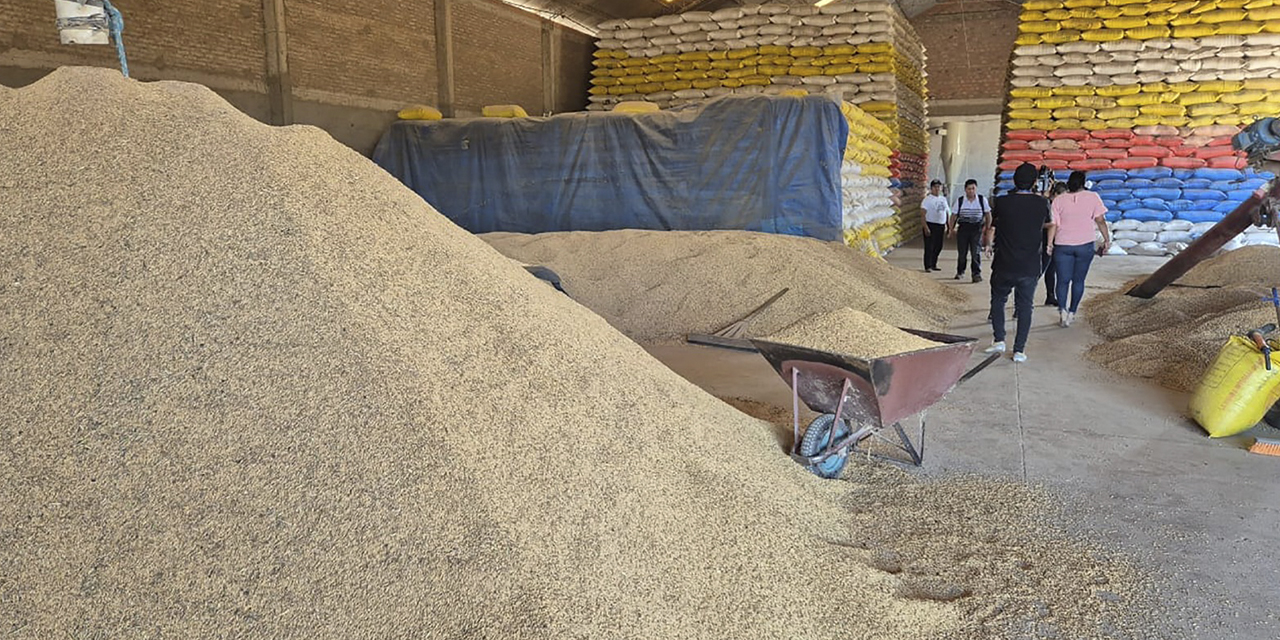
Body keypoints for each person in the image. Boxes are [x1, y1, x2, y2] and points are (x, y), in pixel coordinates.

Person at [983, 163, 1054, 363]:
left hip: (1004, 262)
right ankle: (1019, 350)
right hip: (1029, 265)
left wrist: (988, 244)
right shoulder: (1042, 204)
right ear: (1034, 182)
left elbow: (993, 227)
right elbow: (1049, 223)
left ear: (1014, 180)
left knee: (998, 300)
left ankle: (999, 340)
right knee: (1025, 307)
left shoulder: (1002, 202)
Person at [1048, 170, 1111, 328]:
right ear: (1084, 183)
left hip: (1062, 245)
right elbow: (1100, 220)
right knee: (1078, 281)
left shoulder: (1058, 200)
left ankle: (1062, 311)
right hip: (1085, 245)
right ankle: (1072, 313)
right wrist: (1106, 240)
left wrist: (1050, 244)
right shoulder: (1093, 197)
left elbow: (1054, 224)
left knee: (1062, 280)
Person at [948, 179, 991, 283]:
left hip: (976, 229)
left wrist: (987, 228)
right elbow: (953, 216)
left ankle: (976, 274)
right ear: (965, 190)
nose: (971, 191)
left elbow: (988, 214)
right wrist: (951, 229)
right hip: (963, 229)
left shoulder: (982, 200)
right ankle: (960, 271)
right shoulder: (960, 201)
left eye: (973, 188)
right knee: (962, 253)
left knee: (975, 252)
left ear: (976, 189)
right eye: (969, 189)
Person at [1042, 182, 1069, 307]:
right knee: (1042, 269)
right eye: (1062, 196)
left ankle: (1051, 296)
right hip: (1045, 240)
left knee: (1053, 269)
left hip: (1057, 239)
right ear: (1056, 194)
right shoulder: (1046, 204)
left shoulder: (1059, 206)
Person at [920, 179, 950, 272]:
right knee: (929, 246)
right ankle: (927, 265)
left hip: (940, 225)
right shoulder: (927, 200)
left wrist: (949, 226)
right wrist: (925, 227)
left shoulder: (943, 199)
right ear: (931, 188)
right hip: (930, 225)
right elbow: (923, 214)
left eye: (938, 187)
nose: (937, 189)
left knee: (938, 246)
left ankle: (933, 263)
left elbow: (947, 212)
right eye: (935, 187)